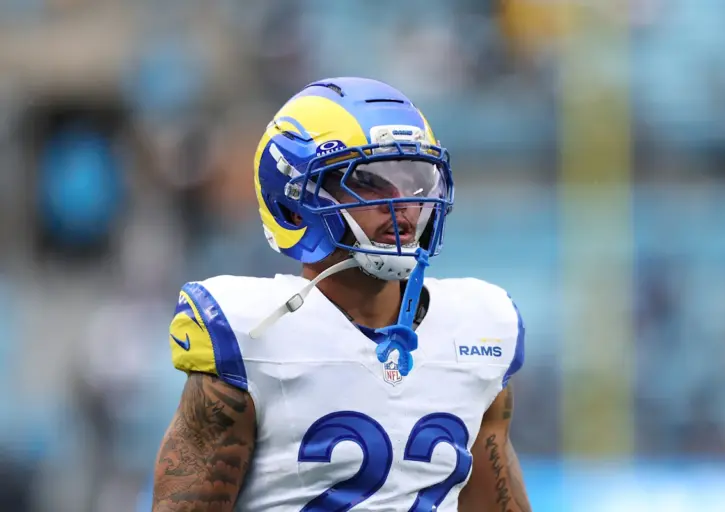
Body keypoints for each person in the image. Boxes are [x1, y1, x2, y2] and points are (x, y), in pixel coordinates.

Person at [152, 77, 530, 511]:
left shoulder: (479, 328)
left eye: (414, 179)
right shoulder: (251, 333)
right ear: (294, 203)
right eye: (368, 181)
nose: (402, 202)